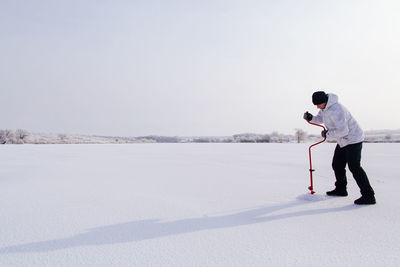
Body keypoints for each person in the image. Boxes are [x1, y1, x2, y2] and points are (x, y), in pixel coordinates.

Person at [303, 91, 376, 205]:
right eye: (316, 105)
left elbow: (343, 131)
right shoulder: (325, 108)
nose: (317, 107)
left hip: (353, 139)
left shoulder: (338, 110)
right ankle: (341, 189)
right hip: (343, 141)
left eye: (318, 104)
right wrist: (311, 118)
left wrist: (327, 135)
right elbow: (320, 118)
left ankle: (369, 196)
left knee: (354, 167)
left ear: (325, 101)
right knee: (337, 164)